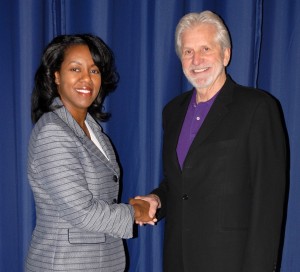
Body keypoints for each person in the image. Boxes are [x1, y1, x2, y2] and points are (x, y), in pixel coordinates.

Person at [135, 10, 287, 272]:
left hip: (232, 261)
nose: (197, 60)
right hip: (178, 259)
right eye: (188, 51)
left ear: (225, 54)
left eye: (206, 48)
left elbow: (268, 203)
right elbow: (180, 185)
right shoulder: (172, 112)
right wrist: (157, 200)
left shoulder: (257, 108)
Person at [25, 34, 152, 272]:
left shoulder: (93, 131)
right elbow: (82, 212)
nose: (87, 79)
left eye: (94, 71)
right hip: (65, 265)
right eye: (75, 69)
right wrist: (134, 212)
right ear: (56, 76)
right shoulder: (53, 132)